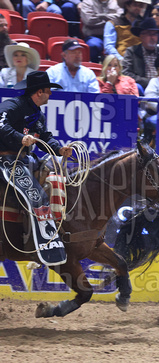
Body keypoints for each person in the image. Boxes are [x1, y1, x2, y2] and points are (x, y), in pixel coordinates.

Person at [0, 71, 72, 265]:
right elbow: (1, 124)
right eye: (48, 91)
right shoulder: (12, 106)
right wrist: (19, 138)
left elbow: (44, 138)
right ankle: (41, 241)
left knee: (56, 180)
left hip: (23, 159)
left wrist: (59, 149)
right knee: (36, 194)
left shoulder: (36, 114)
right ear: (39, 92)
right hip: (5, 160)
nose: (50, 94)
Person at [122, 17, 159, 92]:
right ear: (141, 36)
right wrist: (149, 82)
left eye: (154, 34)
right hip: (140, 89)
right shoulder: (132, 52)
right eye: (149, 34)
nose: (152, 37)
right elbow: (125, 73)